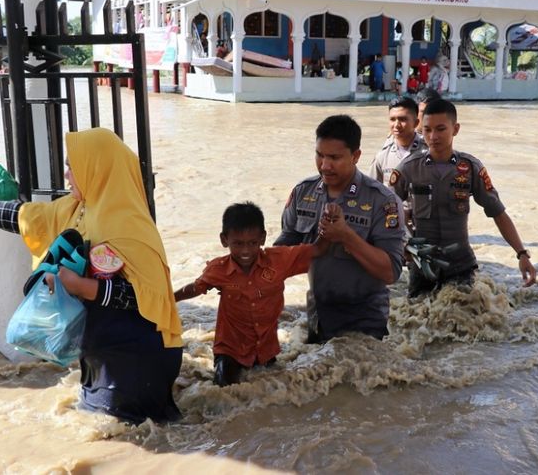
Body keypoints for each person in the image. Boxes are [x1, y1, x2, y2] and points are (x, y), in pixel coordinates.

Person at [0, 127, 184, 424]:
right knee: (106, 429)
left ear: (96, 168)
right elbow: (22, 216)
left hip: (135, 356)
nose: (67, 175)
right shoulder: (79, 209)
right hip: (101, 350)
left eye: (72, 167)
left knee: (129, 440)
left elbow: (147, 299)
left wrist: (81, 286)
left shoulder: (129, 226)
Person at [274, 115, 405, 343]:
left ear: (355, 156)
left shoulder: (383, 201)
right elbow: (284, 251)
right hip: (318, 314)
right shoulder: (302, 192)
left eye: (334, 157)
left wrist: (346, 236)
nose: (325, 165)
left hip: (365, 320)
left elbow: (390, 272)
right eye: (320, 155)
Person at [174, 202, 334, 387]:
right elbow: (195, 288)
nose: (245, 251)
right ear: (224, 240)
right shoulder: (218, 270)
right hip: (230, 350)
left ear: (263, 238)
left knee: (276, 390)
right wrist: (169, 299)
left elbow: (318, 249)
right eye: (238, 243)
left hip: (266, 349)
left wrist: (329, 223)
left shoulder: (278, 261)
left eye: (252, 243)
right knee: (224, 391)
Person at [390, 99, 537, 297]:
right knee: (416, 317)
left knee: (463, 316)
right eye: (427, 130)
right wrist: (398, 245)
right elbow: (385, 209)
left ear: (455, 129)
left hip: (460, 265)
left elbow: (498, 213)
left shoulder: (470, 168)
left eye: (441, 129)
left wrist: (521, 254)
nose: (433, 136)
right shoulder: (408, 168)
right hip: (422, 265)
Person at [368, 96, 428, 188]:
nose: (396, 125)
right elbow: (371, 191)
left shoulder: (430, 152)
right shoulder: (382, 157)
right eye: (392, 119)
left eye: (402, 119)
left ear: (416, 123)